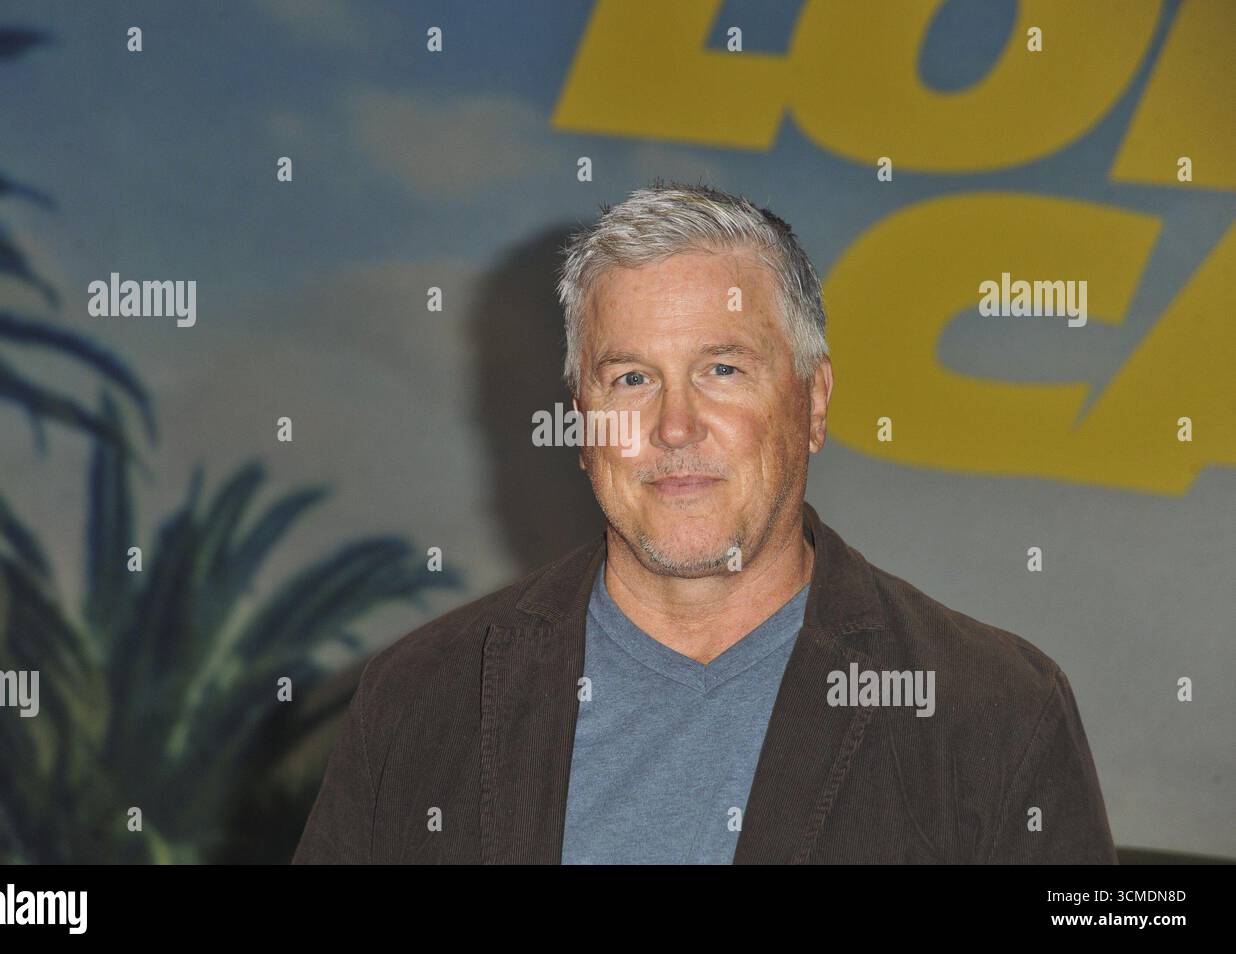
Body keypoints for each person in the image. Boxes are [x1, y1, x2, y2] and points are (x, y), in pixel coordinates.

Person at [293, 180, 1116, 864]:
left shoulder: (994, 710)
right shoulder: (420, 700)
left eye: (722, 369)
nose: (675, 427)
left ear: (813, 401)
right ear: (582, 425)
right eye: (630, 380)